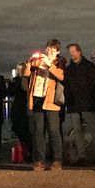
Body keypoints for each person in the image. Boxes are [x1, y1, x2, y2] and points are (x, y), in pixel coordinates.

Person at [24, 40, 66, 171]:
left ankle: (57, 160)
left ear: (57, 51)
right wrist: (29, 63)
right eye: (48, 48)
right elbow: (25, 75)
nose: (49, 51)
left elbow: (61, 76)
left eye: (53, 49)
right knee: (38, 131)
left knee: (53, 131)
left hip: (51, 101)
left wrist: (49, 64)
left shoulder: (60, 62)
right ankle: (39, 160)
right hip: (37, 98)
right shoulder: (38, 61)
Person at [63, 43, 95, 165]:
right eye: (70, 51)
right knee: (77, 131)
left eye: (73, 51)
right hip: (74, 103)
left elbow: (93, 84)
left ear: (79, 52)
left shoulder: (89, 66)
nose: (71, 54)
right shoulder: (69, 69)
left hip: (86, 103)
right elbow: (66, 86)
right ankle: (82, 156)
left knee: (93, 130)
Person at [8, 63, 31, 156]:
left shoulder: (27, 79)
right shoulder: (15, 80)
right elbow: (10, 92)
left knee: (27, 131)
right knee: (19, 130)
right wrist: (13, 81)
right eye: (18, 69)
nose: (20, 71)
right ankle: (24, 152)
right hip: (17, 108)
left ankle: (28, 151)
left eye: (21, 69)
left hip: (25, 107)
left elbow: (25, 89)